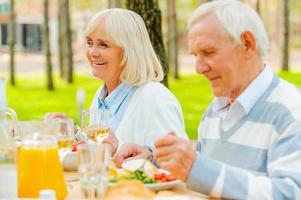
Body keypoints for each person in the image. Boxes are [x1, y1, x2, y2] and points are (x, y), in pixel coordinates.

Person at [113, 0, 301, 199]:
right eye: (195, 55)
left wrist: (198, 168)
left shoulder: (291, 111)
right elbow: (208, 174)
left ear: (247, 44)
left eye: (208, 52)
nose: (198, 68)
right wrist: (153, 160)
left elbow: (290, 193)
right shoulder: (215, 111)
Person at [46, 8, 187, 155]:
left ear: (129, 50)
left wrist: (119, 148)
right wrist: (73, 131)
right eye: (89, 43)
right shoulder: (101, 95)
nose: (92, 52)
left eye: (103, 44)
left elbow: (177, 163)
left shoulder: (156, 98)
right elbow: (101, 148)